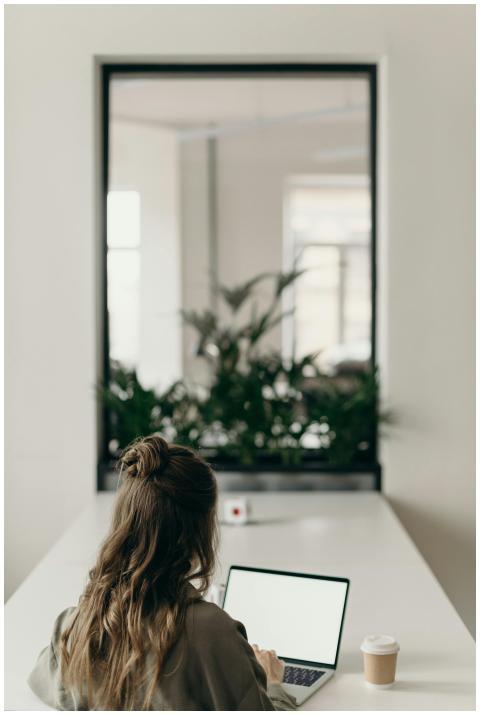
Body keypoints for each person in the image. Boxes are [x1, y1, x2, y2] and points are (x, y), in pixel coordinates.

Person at [28, 435, 297, 710]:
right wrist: (273, 683)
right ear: (201, 532)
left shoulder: (75, 627)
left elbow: (43, 679)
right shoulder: (213, 634)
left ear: (124, 524)